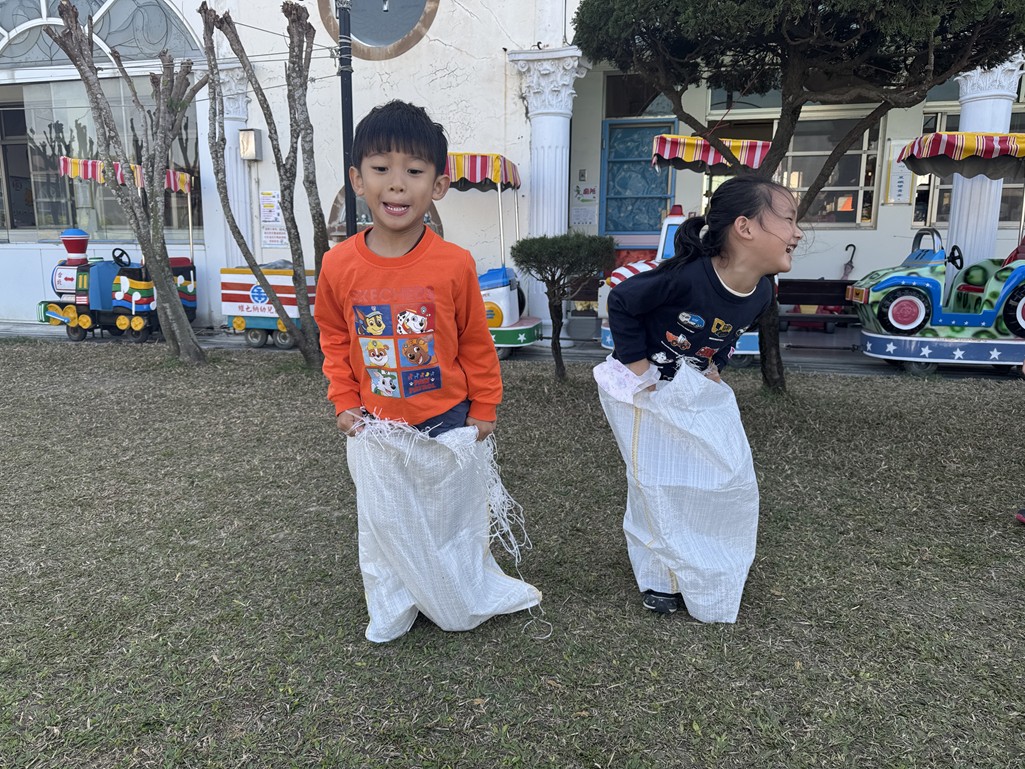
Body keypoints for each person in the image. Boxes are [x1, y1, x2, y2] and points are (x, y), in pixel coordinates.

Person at [316, 100, 540, 642]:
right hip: (376, 425)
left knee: (449, 517)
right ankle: (395, 601)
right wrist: (344, 400)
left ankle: (455, 589)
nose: (397, 184)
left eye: (414, 171)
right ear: (357, 180)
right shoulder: (338, 264)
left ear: (437, 186)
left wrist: (484, 407)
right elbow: (335, 337)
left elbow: (475, 343)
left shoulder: (454, 264)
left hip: (448, 420)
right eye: (381, 169)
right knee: (386, 520)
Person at [595, 175, 803, 621]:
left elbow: (728, 333)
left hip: (688, 387)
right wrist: (640, 369)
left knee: (719, 473)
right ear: (745, 227)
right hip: (636, 390)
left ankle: (701, 555)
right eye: (788, 220)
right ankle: (659, 576)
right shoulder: (687, 277)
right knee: (652, 481)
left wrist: (714, 366)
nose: (798, 233)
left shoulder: (762, 292)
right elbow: (623, 302)